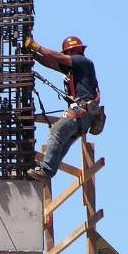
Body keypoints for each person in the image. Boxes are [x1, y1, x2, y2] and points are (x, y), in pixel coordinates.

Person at [25, 35, 100, 186]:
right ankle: (46, 174)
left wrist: (36, 46)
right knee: (62, 143)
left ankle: (45, 171)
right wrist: (34, 55)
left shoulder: (82, 61)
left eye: (67, 54)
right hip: (84, 117)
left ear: (72, 52)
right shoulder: (75, 69)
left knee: (56, 132)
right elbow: (52, 63)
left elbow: (56, 57)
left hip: (82, 111)